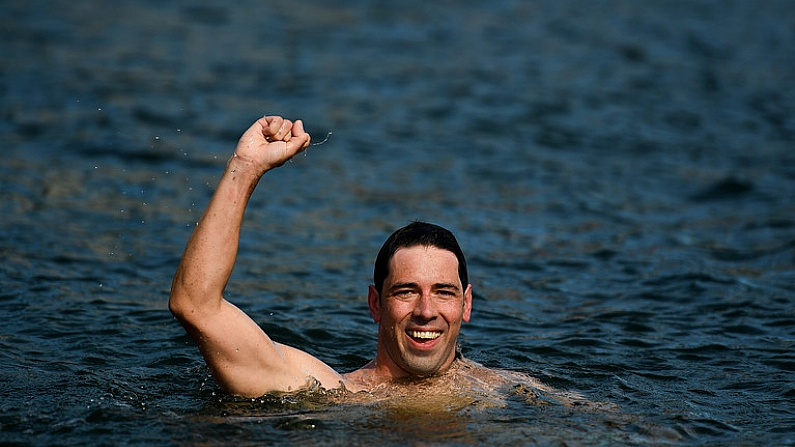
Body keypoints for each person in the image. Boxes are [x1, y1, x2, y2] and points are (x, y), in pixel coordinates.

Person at [169, 116, 517, 398]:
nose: (426, 311)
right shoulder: (333, 393)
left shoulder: (512, 391)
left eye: (443, 292)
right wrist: (246, 168)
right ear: (375, 303)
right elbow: (196, 304)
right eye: (406, 291)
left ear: (466, 304)